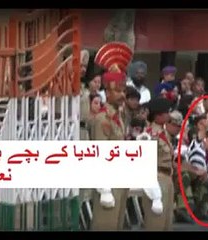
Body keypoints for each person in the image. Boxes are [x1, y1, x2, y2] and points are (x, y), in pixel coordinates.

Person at [90, 41, 133, 231]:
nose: (123, 95)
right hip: (108, 182)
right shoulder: (103, 119)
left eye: (124, 90)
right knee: (105, 225)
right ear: (107, 91)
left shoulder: (119, 118)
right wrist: (105, 187)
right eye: (118, 90)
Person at [143, 98, 175, 230]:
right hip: (156, 177)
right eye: (167, 112)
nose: (169, 115)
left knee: (167, 222)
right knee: (156, 222)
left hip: (167, 177)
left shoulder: (164, 132)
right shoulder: (150, 134)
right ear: (158, 114)